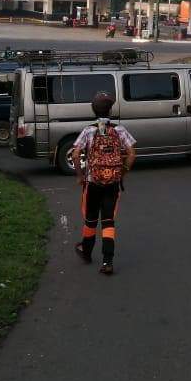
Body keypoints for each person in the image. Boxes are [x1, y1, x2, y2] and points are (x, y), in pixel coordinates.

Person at [72, 92, 137, 275]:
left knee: (91, 219)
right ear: (110, 110)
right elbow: (132, 154)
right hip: (113, 183)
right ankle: (107, 262)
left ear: (93, 109)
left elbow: (76, 155)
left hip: (93, 182)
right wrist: (122, 173)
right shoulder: (119, 130)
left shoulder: (88, 130)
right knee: (108, 220)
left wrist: (80, 175)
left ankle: (86, 251)